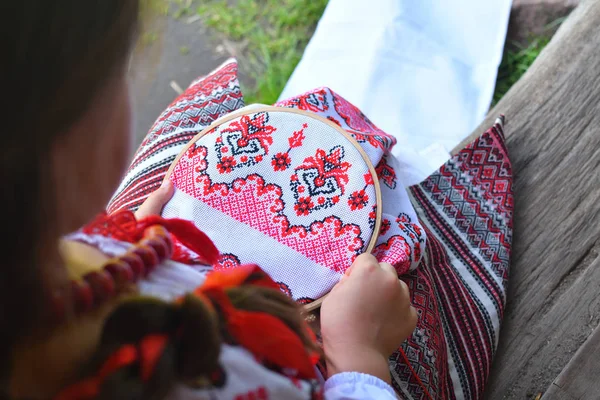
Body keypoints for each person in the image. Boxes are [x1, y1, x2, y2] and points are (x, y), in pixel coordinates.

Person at [1, 1, 417, 399]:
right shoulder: (214, 379)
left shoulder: (44, 275)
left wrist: (131, 240)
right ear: (62, 144)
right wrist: (357, 357)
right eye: (118, 76)